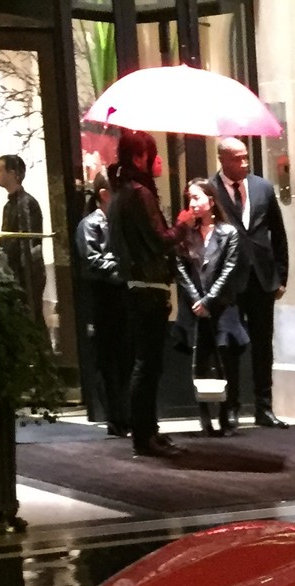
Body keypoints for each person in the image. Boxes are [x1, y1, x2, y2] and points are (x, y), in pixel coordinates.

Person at [106, 128, 180, 458]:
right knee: (147, 364)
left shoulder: (121, 193)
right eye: (153, 153)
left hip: (135, 286)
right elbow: (159, 238)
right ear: (140, 158)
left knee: (146, 363)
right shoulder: (140, 193)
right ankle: (144, 434)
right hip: (148, 287)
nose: (159, 159)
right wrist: (184, 223)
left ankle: (148, 430)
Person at [210, 137, 290, 427]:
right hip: (228, 281)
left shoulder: (262, 188)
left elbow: (278, 234)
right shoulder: (211, 190)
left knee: (262, 344)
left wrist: (281, 276)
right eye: (237, 159)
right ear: (222, 159)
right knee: (229, 346)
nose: (244, 163)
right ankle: (231, 406)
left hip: (261, 278)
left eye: (246, 158)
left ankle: (264, 407)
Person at [172, 180, 248, 436]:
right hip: (195, 308)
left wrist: (209, 301)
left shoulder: (229, 233)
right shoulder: (185, 233)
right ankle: (204, 416)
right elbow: (180, 268)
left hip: (222, 307)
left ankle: (227, 413)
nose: (192, 203)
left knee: (225, 360)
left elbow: (229, 269)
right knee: (200, 362)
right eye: (189, 199)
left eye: (197, 198)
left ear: (211, 201)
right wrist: (196, 299)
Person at [73, 171, 130, 438]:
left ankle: (127, 415)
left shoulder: (120, 223)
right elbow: (93, 260)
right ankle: (115, 417)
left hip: (123, 298)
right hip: (103, 298)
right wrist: (123, 270)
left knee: (125, 358)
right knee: (108, 359)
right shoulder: (90, 224)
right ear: (104, 195)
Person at [0, 154, 46, 335]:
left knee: (33, 317)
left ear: (14, 173)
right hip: (15, 271)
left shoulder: (27, 203)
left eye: (0, 169)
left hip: (27, 272)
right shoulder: (9, 206)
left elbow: (30, 242)